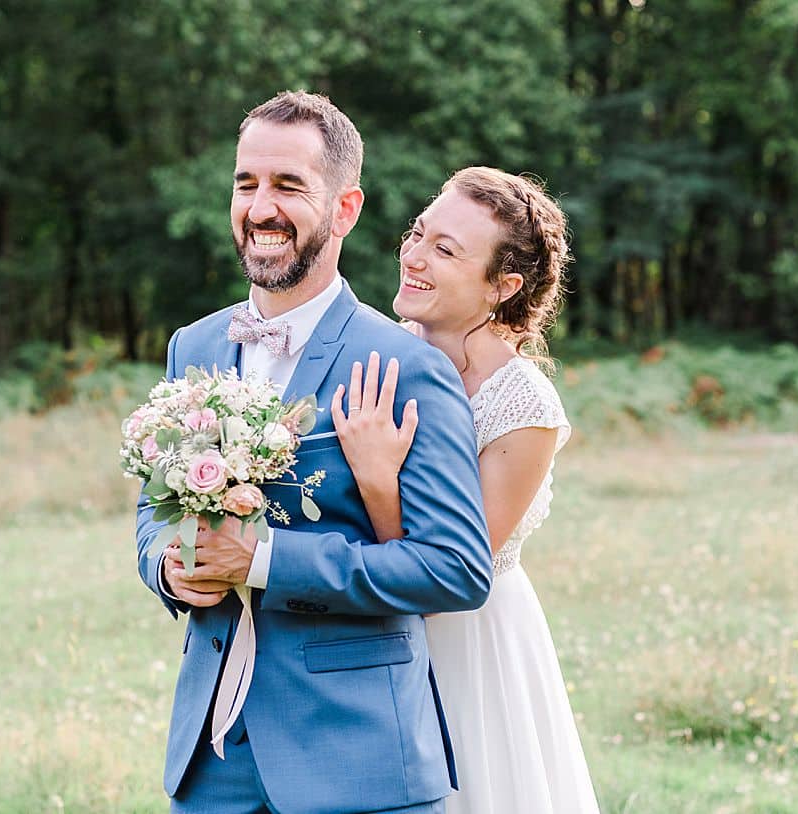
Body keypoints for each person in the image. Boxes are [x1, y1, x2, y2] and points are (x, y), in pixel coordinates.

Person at [134, 91, 493, 814]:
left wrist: (262, 563)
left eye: (289, 186)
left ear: (345, 209)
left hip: (357, 759)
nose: (261, 208)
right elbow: (153, 506)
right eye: (246, 184)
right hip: (213, 759)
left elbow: (456, 568)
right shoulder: (193, 346)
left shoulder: (406, 366)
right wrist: (167, 568)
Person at [330, 167, 601, 814]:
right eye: (418, 233)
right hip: (362, 635)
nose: (414, 256)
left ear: (503, 287)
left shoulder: (521, 405)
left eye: (446, 250)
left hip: (470, 647)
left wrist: (377, 480)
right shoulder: (374, 356)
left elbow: (448, 573)